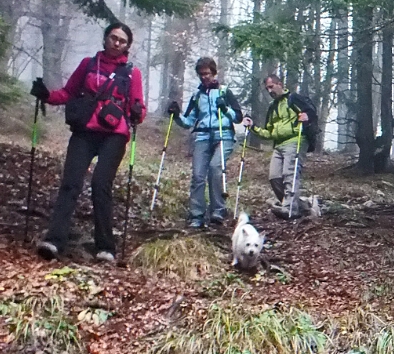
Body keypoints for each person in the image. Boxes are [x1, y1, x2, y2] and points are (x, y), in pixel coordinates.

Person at [32, 21, 146, 265]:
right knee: (70, 183)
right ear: (105, 39)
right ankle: (54, 241)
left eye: (122, 41)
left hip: (115, 134)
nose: (117, 43)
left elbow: (139, 107)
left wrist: (137, 112)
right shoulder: (88, 64)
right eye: (113, 38)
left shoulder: (132, 72)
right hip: (85, 131)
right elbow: (68, 92)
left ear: (127, 46)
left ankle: (106, 248)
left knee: (100, 184)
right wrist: (46, 95)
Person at [168, 57, 249, 228]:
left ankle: (217, 211)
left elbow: (238, 118)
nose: (204, 77)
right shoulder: (197, 95)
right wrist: (176, 116)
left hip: (224, 135)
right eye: (201, 74)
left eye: (207, 73)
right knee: (198, 175)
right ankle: (196, 215)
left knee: (215, 168)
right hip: (203, 136)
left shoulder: (224, 92)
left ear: (214, 73)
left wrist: (224, 109)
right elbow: (189, 121)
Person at [250, 75, 309, 219]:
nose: (270, 91)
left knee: (289, 174)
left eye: (271, 87)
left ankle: (290, 210)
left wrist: (306, 118)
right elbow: (269, 132)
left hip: (295, 139)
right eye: (267, 88)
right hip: (279, 144)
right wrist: (253, 128)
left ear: (280, 84)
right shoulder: (272, 107)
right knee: (274, 176)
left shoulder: (294, 99)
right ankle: (296, 205)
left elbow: (310, 114)